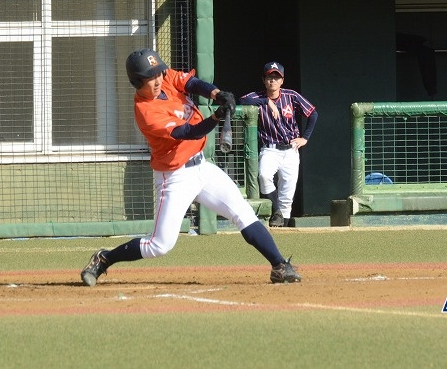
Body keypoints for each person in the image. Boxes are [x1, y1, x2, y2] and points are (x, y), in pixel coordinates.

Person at [80, 48, 301, 286]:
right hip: (175, 177)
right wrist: (216, 116)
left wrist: (217, 94)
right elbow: (189, 132)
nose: (157, 80)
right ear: (137, 82)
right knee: (160, 245)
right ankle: (105, 258)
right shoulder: (146, 111)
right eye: (150, 77)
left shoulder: (164, 79)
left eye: (158, 73)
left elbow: (191, 83)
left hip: (201, 167)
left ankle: (279, 266)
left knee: (243, 212)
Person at [240, 61, 317, 228]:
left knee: (287, 195)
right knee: (264, 176)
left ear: (282, 80)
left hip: (291, 149)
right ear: (263, 80)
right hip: (270, 149)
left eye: (276, 77)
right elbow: (243, 101)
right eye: (269, 77)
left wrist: (305, 138)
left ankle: (284, 226)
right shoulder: (258, 97)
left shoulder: (291, 96)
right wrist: (267, 102)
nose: (272, 81)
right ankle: (277, 212)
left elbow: (313, 114)